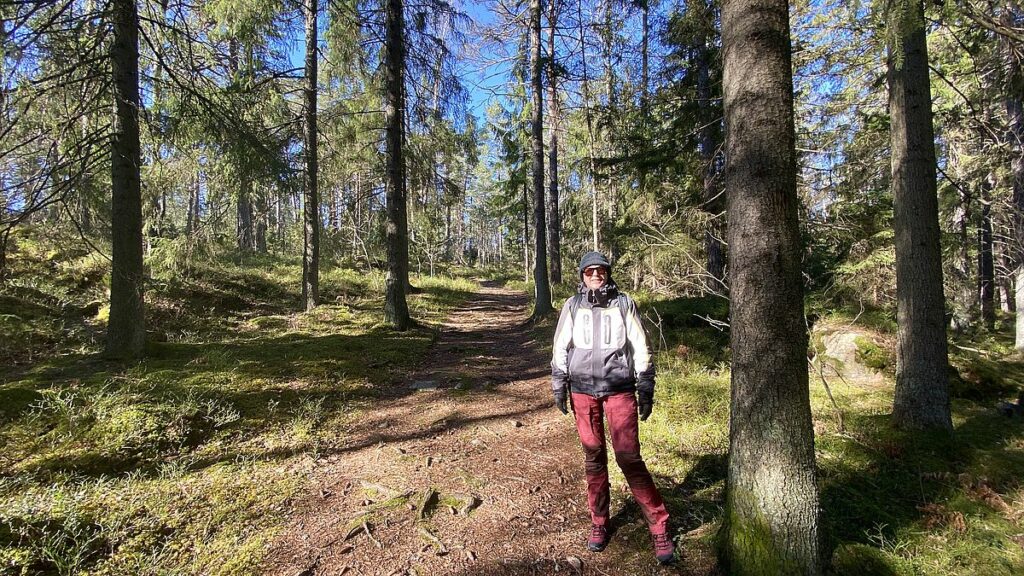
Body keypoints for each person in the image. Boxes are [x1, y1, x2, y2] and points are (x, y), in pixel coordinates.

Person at [550, 251, 675, 564]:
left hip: (619, 390)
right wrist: (559, 383)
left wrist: (645, 387)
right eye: (589, 271)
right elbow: (560, 346)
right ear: (582, 275)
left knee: (628, 457)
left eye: (600, 270)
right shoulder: (573, 305)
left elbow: (640, 346)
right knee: (593, 456)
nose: (595, 275)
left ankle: (659, 525)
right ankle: (599, 522)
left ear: (607, 273)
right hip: (582, 392)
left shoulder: (623, 303)